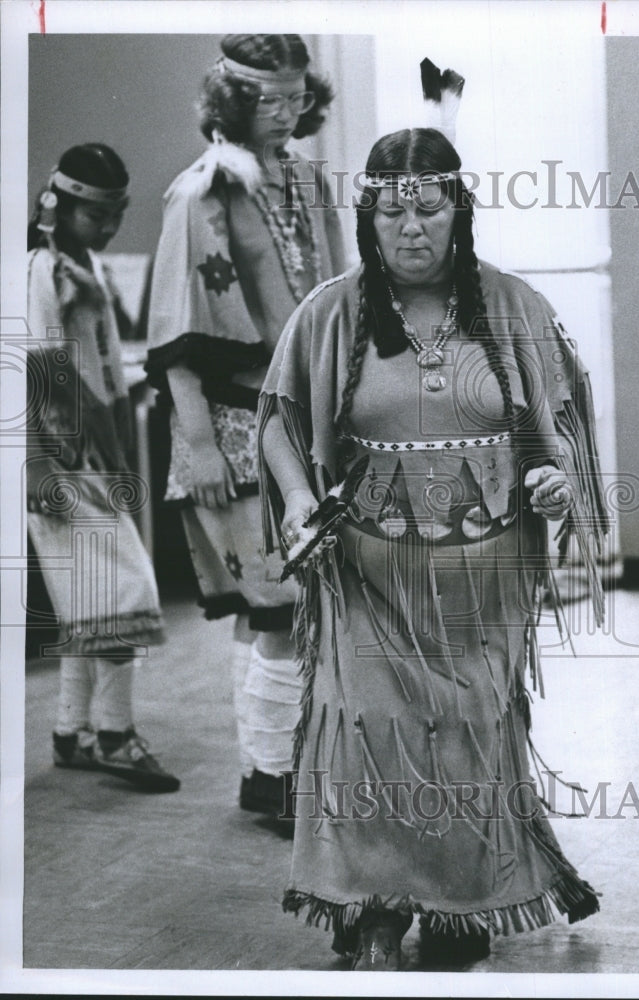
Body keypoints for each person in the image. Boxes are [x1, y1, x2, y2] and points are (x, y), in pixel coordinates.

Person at [258, 127, 609, 969]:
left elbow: (559, 423)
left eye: (429, 207)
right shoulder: (333, 311)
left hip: (482, 580)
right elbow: (277, 418)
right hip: (367, 573)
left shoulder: (514, 307)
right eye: (391, 210)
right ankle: (373, 898)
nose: (411, 227)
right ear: (368, 217)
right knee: (370, 728)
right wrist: (302, 498)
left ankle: (459, 902)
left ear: (460, 212)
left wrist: (555, 481)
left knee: (463, 730)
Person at [145, 35, 346, 822]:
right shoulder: (201, 193)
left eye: (298, 97)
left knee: (287, 604)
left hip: (305, 419)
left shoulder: (305, 181)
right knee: (278, 606)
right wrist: (197, 446)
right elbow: (177, 336)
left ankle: (277, 764)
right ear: (232, 100)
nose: (288, 112)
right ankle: (271, 775)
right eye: (271, 99)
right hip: (229, 423)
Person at [26, 143, 179, 793]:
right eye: (98, 216)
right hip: (56, 456)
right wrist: (35, 464)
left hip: (91, 455)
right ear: (57, 207)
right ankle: (113, 734)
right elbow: (36, 367)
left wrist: (116, 450)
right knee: (125, 593)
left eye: (118, 215)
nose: (110, 228)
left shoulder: (85, 268)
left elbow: (109, 370)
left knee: (90, 604)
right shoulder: (39, 269)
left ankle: (71, 733)